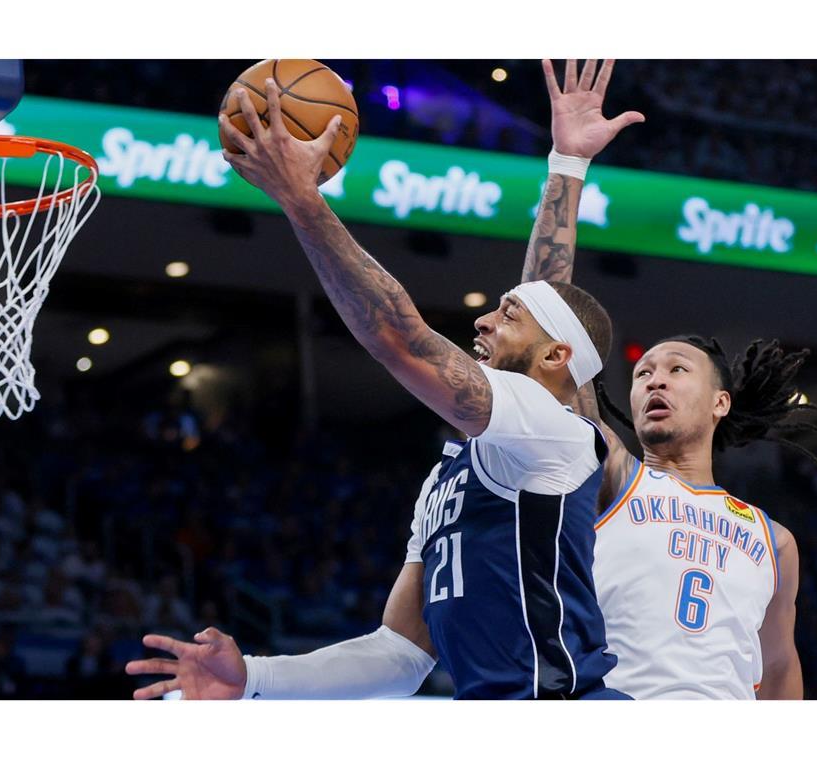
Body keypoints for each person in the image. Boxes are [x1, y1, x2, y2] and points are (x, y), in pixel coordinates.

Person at [127, 58, 640, 701]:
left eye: (505, 315)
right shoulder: (450, 476)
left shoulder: (555, 434)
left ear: (555, 360)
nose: (480, 320)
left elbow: (399, 338)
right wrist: (255, 675)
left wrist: (302, 199)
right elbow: (398, 656)